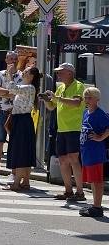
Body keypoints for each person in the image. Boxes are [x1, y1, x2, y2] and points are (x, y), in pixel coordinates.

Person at [42, 62, 86, 201]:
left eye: (61, 72)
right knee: (62, 160)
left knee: (74, 159)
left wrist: (56, 98)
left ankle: (80, 192)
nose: (58, 74)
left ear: (70, 73)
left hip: (74, 128)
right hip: (62, 129)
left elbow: (76, 103)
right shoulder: (61, 88)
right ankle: (68, 190)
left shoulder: (78, 85)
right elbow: (51, 107)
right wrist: (46, 100)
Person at [3, 67, 40, 191]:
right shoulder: (27, 87)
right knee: (25, 151)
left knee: (20, 152)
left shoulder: (29, 87)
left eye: (27, 71)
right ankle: (26, 181)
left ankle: (17, 183)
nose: (23, 72)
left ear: (32, 76)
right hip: (22, 120)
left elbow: (13, 89)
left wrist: (9, 75)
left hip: (22, 120)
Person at [0, 51, 23, 183]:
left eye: (15, 59)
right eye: (10, 59)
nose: (13, 61)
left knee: (14, 143)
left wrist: (7, 90)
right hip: (0, 111)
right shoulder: (0, 74)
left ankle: (13, 173)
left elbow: (19, 93)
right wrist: (10, 92)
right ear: (6, 60)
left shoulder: (21, 75)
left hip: (14, 112)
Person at [79, 87, 109, 217]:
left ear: (96, 99)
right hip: (87, 151)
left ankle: (97, 206)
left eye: (89, 97)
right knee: (92, 180)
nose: (87, 100)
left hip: (95, 152)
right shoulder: (86, 113)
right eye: (85, 97)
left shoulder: (100, 114)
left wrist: (101, 137)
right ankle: (95, 205)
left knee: (97, 180)